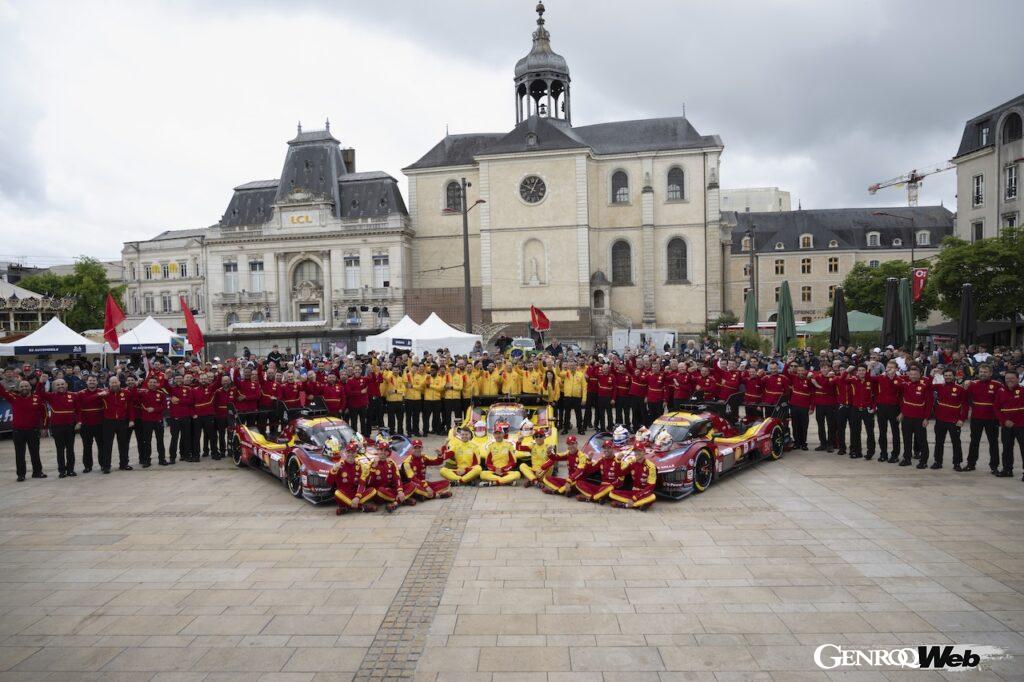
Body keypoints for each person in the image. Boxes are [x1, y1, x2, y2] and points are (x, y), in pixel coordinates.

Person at [0, 380, 46, 481]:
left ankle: (37, 472)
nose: (24, 388)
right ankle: (21, 475)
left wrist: (44, 428)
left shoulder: (37, 398)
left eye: (26, 386)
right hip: (18, 432)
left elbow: (44, 413)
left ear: (30, 387)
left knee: (35, 453)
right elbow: (2, 391)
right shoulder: (13, 397)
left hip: (33, 431)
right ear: (18, 388)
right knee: (19, 454)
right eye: (21, 386)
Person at [37, 376, 79, 477]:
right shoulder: (51, 396)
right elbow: (39, 393)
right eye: (58, 385)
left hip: (70, 426)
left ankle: (70, 470)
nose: (60, 386)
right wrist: (41, 382)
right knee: (60, 449)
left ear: (66, 385)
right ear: (54, 387)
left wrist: (79, 422)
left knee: (70, 449)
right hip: (57, 427)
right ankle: (62, 471)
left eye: (62, 384)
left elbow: (78, 410)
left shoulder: (73, 395)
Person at [965, 364, 1002, 474]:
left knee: (993, 443)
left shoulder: (997, 385)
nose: (983, 374)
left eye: (985, 372)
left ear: (990, 373)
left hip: (992, 419)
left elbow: (1001, 401)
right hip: (976, 418)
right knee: (974, 441)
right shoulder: (973, 384)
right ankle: (971, 464)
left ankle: (994, 466)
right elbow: (967, 398)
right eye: (981, 372)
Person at [897, 365, 932, 468]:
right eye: (911, 374)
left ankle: (923, 461)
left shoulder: (925, 385)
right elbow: (902, 400)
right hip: (907, 417)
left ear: (920, 375)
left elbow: (929, 403)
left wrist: (926, 418)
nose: (912, 376)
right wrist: (902, 412)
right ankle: (907, 458)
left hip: (919, 418)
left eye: (915, 374)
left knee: (921, 440)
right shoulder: (905, 384)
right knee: (907, 439)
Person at [934, 368, 968, 471]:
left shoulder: (960, 389)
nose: (948, 377)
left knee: (956, 442)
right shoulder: (939, 387)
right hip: (940, 420)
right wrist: (932, 375)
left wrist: (962, 419)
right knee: (939, 442)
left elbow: (965, 406)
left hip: (954, 421)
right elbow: (928, 386)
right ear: (943, 376)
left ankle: (957, 463)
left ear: (954, 376)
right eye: (946, 375)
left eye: (950, 375)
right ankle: (938, 462)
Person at [329, 440, 376, 514]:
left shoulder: (360, 465)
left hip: (356, 495)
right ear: (345, 453)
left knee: (373, 490)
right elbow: (329, 482)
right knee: (337, 493)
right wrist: (333, 470)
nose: (351, 454)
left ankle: (347, 507)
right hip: (344, 495)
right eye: (348, 452)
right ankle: (361, 507)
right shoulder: (339, 465)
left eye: (353, 452)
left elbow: (362, 483)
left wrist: (357, 497)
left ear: (356, 453)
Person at [609, 439, 658, 510]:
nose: (637, 453)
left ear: (644, 452)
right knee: (612, 493)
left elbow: (650, 487)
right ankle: (637, 505)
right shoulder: (632, 463)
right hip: (633, 492)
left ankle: (625, 505)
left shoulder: (651, 466)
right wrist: (618, 461)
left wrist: (635, 498)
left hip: (644, 493)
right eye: (635, 451)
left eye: (639, 451)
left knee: (652, 497)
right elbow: (619, 474)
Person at [98, 376, 132, 473]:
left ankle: (124, 464)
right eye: (112, 383)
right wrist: (98, 395)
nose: (114, 384)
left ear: (119, 383)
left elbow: (130, 407)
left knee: (123, 444)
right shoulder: (104, 393)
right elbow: (88, 400)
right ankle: (106, 466)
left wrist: (131, 420)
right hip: (108, 422)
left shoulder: (126, 393)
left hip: (122, 421)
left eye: (116, 382)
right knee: (107, 445)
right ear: (109, 384)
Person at [994, 369, 1024, 478]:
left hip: (1021, 425)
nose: (1009, 380)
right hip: (1006, 425)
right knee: (1007, 448)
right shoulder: (1001, 391)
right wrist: (1004, 420)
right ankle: (1007, 470)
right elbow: (997, 408)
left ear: (1018, 379)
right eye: (1007, 379)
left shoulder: (1022, 390)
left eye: (1012, 378)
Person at [871, 361, 903, 464]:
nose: (889, 369)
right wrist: (869, 368)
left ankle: (895, 454)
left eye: (892, 367)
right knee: (882, 431)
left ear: (896, 369)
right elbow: (869, 378)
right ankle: (883, 453)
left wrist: (891, 378)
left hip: (894, 408)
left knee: (895, 432)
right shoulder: (881, 377)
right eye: (888, 367)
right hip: (882, 407)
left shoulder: (899, 380)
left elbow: (900, 394)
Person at [134, 376, 167, 467]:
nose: (152, 384)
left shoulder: (161, 394)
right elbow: (136, 400)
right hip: (146, 421)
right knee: (147, 441)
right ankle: (147, 460)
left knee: (160, 441)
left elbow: (164, 407)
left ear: (157, 383)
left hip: (158, 420)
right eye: (150, 382)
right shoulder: (143, 393)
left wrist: (154, 409)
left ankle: (162, 459)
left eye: (154, 382)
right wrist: (136, 386)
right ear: (147, 383)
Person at [845, 365, 876, 460]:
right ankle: (856, 451)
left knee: (870, 432)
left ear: (866, 371)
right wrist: (847, 371)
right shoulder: (854, 380)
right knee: (855, 431)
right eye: (859, 370)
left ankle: (870, 452)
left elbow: (876, 396)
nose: (861, 372)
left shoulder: (870, 381)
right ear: (857, 372)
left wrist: (874, 408)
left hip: (867, 410)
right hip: (856, 409)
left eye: (863, 370)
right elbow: (843, 380)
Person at [75, 375, 104, 473]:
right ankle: (87, 466)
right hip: (86, 424)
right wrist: (79, 422)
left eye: (94, 380)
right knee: (87, 446)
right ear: (86, 382)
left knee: (102, 446)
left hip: (100, 424)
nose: (92, 382)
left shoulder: (102, 391)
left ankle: (104, 465)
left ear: (97, 382)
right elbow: (79, 407)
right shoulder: (80, 393)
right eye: (90, 380)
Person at [167, 374, 194, 464]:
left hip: (185, 417)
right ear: (174, 379)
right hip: (174, 418)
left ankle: (186, 455)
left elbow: (190, 401)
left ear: (183, 379)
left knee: (186, 438)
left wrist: (179, 400)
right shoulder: (171, 389)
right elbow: (164, 384)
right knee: (174, 438)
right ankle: (172, 457)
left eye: (180, 378)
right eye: (176, 378)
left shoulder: (188, 389)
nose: (178, 380)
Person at [788, 365, 812, 450]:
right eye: (799, 371)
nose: (801, 372)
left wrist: (812, 407)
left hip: (804, 407)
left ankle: (803, 443)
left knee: (804, 426)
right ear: (797, 371)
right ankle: (797, 443)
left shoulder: (809, 379)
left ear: (805, 371)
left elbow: (812, 394)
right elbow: (785, 372)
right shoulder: (793, 377)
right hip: (794, 406)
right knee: (795, 425)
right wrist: (789, 362)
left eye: (802, 370)